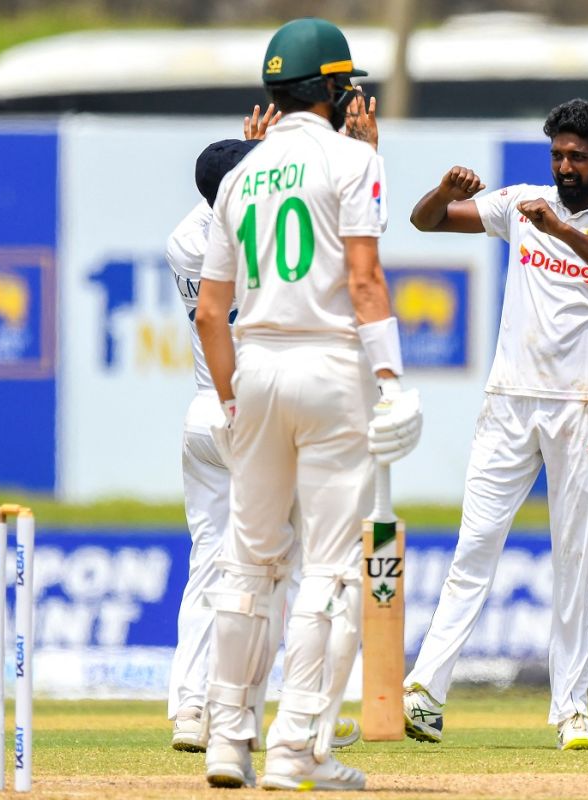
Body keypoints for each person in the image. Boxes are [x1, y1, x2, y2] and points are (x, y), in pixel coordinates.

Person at [195, 17, 420, 790]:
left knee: (248, 561)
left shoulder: (238, 175)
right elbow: (364, 280)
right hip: (329, 369)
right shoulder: (352, 159)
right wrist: (391, 381)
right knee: (328, 571)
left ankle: (228, 739)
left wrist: (230, 404)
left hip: (254, 364)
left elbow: (208, 313)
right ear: (331, 89)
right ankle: (296, 750)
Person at [401, 98, 588, 751]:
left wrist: (565, 232)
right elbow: (426, 222)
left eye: (577, 156)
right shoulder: (522, 201)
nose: (565, 166)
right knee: (474, 549)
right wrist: (443, 191)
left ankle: (572, 710)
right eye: (558, 155)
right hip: (510, 399)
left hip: (582, 407)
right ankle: (425, 691)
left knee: (573, 561)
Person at [165, 97, 376, 756]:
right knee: (297, 565)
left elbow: (234, 201)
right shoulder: (259, 222)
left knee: (217, 565)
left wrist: (247, 155)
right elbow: (328, 249)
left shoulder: (185, 235)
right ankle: (290, 715)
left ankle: (193, 710)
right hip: (253, 401)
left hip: (205, 407)